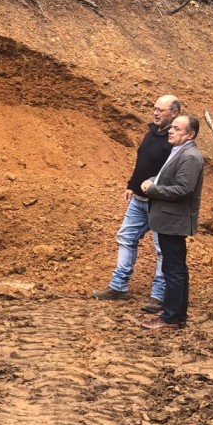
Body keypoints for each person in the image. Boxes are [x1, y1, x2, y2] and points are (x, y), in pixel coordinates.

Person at [92, 95, 181, 312]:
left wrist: (155, 188)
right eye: (155, 108)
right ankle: (118, 286)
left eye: (161, 110)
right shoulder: (152, 132)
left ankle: (158, 296)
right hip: (139, 200)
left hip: (160, 203)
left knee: (161, 249)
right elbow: (143, 161)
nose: (156, 113)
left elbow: (174, 175)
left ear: (175, 113)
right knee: (126, 238)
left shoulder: (175, 143)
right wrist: (131, 185)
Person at [140, 114, 204, 330]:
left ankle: (170, 318)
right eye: (172, 128)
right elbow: (171, 180)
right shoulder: (180, 152)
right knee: (176, 269)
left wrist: (153, 189)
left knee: (173, 270)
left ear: (190, 134)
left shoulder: (190, 156)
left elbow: (183, 189)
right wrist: (154, 181)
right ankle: (177, 316)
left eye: (177, 128)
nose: (170, 130)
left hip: (173, 221)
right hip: (169, 219)